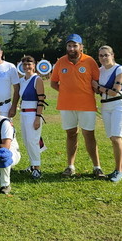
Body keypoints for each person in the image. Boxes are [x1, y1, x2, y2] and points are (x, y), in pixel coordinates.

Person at [50, 34, 105, 178]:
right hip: (66, 106)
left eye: (75, 45)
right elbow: (53, 82)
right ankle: (70, 166)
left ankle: (97, 167)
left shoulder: (90, 61)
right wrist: (66, 92)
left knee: (89, 135)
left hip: (87, 105)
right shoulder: (61, 62)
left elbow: (97, 82)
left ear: (81, 47)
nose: (72, 48)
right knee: (71, 134)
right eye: (69, 46)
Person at [93, 45, 122, 182]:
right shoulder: (99, 71)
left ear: (112, 55)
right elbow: (98, 91)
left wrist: (97, 86)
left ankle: (118, 171)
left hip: (119, 105)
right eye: (101, 55)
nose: (103, 58)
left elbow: (115, 91)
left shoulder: (120, 70)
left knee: (116, 137)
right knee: (112, 138)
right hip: (106, 105)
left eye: (106, 55)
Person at [18, 56, 47, 179]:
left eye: (29, 64)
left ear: (34, 65)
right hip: (23, 114)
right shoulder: (22, 80)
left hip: (32, 114)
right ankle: (32, 165)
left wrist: (37, 117)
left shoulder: (37, 80)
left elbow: (41, 100)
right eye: (24, 65)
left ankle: (37, 168)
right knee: (26, 141)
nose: (27, 67)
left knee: (33, 141)